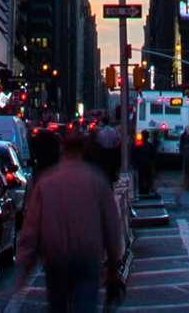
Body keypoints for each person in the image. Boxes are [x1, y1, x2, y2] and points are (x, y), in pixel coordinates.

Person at [20, 131, 131, 313]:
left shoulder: (46, 182)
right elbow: (112, 225)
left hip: (56, 257)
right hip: (87, 256)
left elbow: (31, 227)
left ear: (63, 150)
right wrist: (113, 264)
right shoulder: (96, 180)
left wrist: (25, 263)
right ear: (83, 150)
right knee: (85, 305)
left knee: (58, 306)